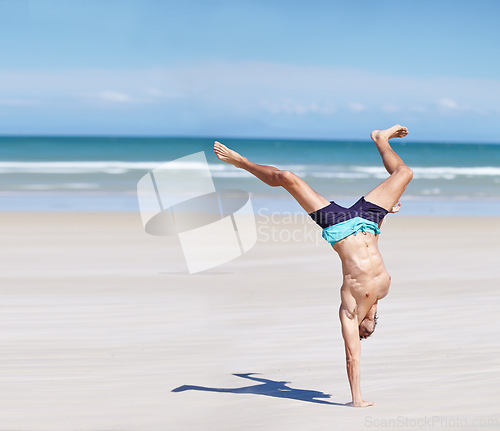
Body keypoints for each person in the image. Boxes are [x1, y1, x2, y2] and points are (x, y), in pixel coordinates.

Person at [213, 125, 413, 407]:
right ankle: (381, 139)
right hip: (369, 220)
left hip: (339, 226)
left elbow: (352, 356)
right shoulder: (383, 290)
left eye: (363, 334)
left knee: (287, 178)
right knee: (405, 174)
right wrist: (386, 212)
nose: (366, 333)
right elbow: (372, 245)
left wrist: (357, 399)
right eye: (369, 332)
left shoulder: (350, 310)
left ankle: (240, 162)